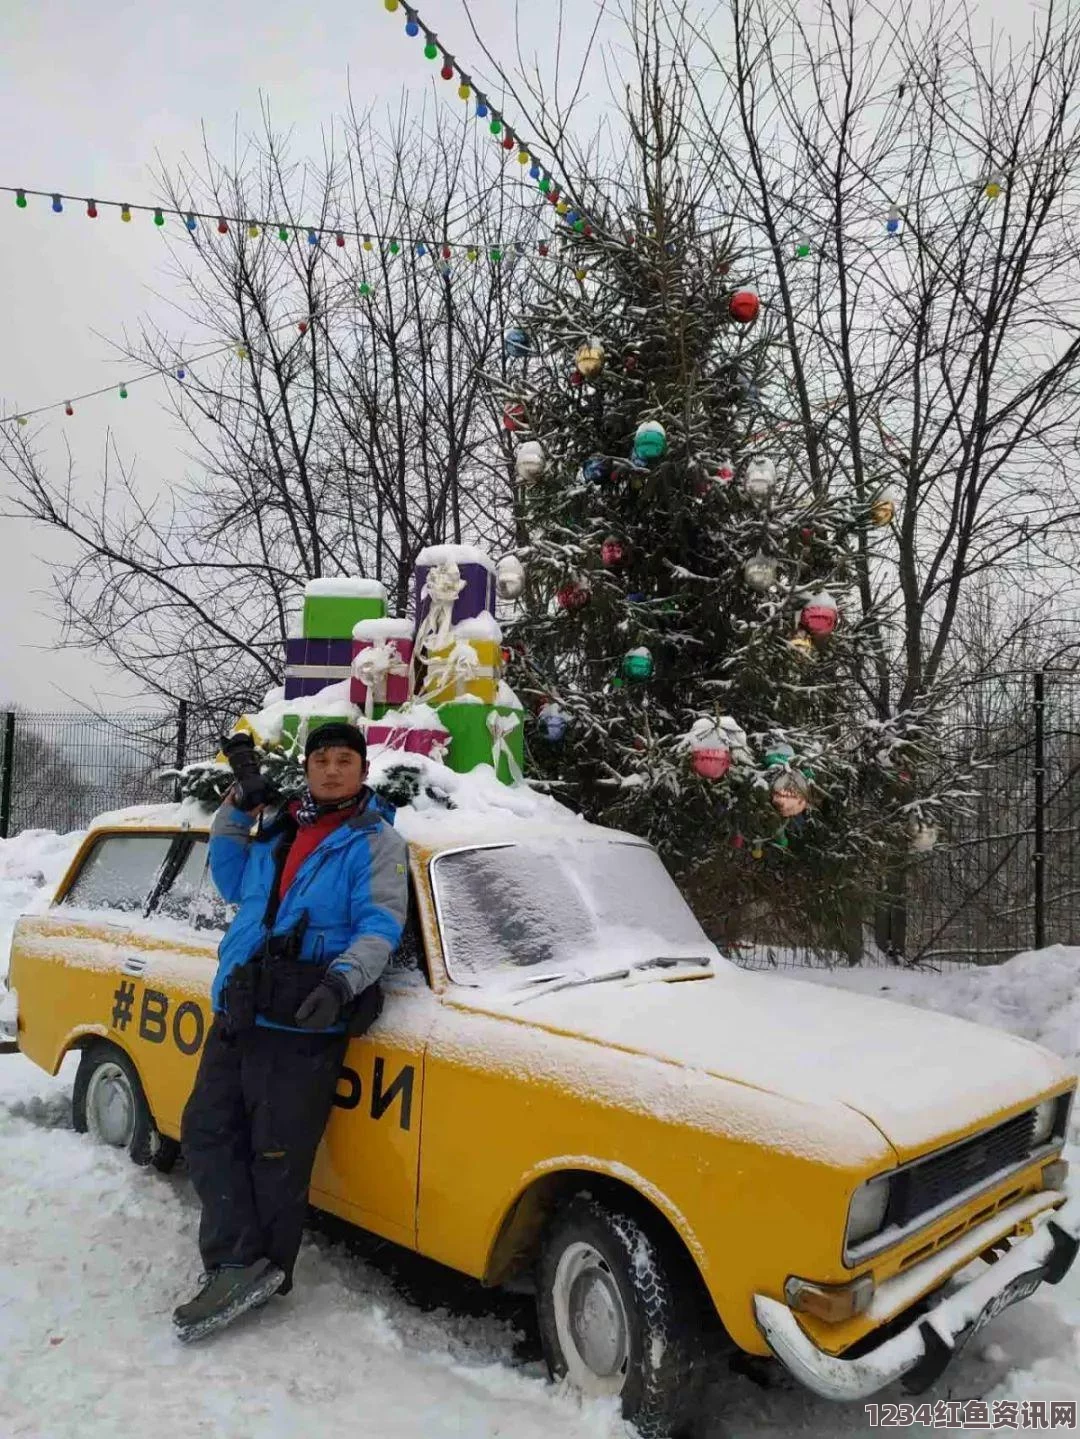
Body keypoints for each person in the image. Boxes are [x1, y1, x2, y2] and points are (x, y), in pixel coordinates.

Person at [172, 721, 408, 1343]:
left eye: (344, 760)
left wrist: (340, 984)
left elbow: (380, 923)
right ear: (307, 768)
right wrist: (233, 811)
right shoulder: (282, 826)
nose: (331, 770)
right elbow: (231, 882)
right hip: (242, 1003)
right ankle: (237, 1260)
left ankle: (260, 1267)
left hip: (305, 1014)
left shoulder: (375, 841)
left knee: (275, 1150)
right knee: (205, 1129)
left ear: (362, 769)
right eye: (321, 760)